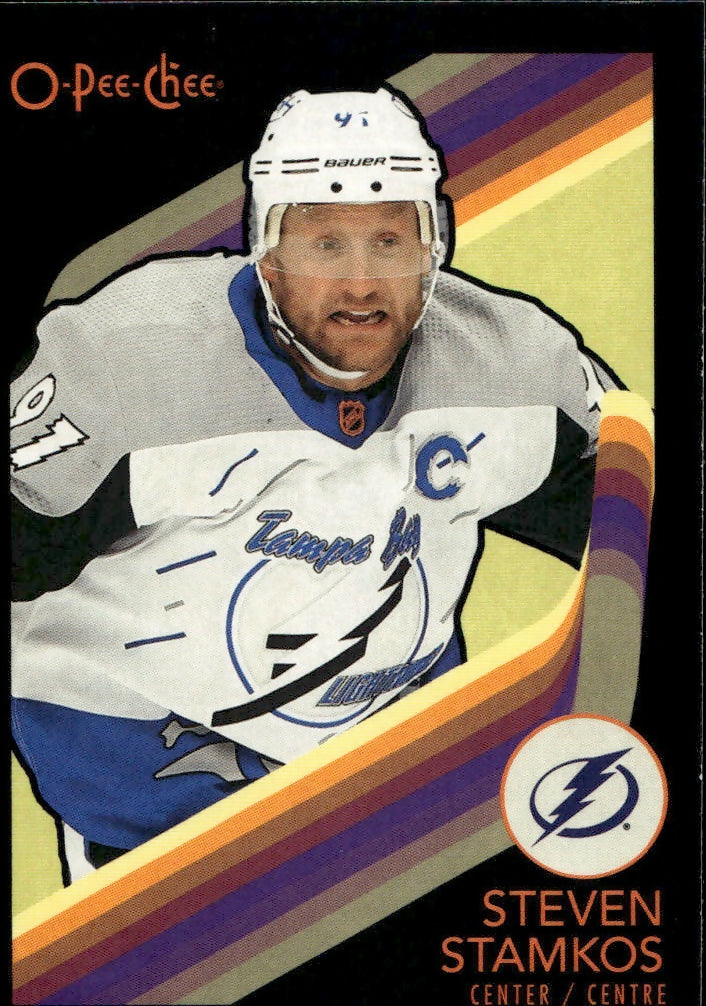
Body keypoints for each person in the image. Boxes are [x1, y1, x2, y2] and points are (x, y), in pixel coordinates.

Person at [11, 86, 619, 882]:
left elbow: (637, 528)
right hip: (160, 840)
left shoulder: (514, 366)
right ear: (266, 251)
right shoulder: (127, 367)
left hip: (398, 792)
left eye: (390, 240)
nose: (362, 283)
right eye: (326, 243)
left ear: (434, 243)